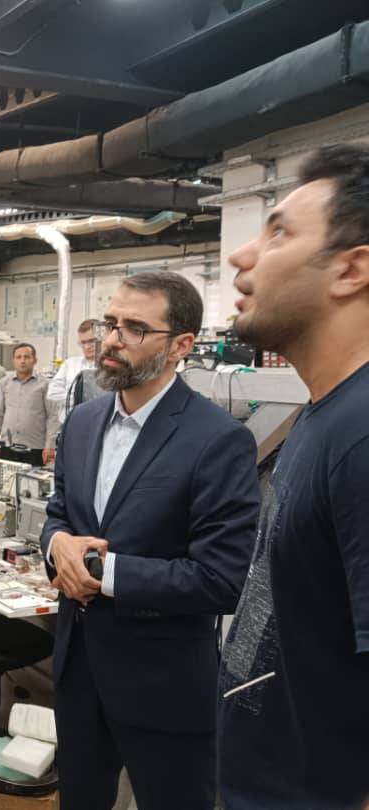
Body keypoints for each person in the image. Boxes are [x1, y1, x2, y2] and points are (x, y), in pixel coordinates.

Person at [41, 271, 260, 810]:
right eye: (110, 323)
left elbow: (221, 579)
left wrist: (100, 572)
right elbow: (58, 516)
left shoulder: (217, 440)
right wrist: (56, 546)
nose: (112, 339)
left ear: (181, 345)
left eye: (135, 328)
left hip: (163, 686)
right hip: (78, 673)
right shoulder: (83, 423)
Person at [219, 144, 369, 809]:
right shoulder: (322, 415)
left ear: (351, 269)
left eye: (278, 232)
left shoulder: (362, 434)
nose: (240, 255)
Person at [0, 343, 59, 466]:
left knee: (32, 478)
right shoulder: (4, 383)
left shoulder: (45, 384)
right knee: (7, 478)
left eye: (27, 357)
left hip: (35, 448)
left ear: (35, 360)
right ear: (13, 360)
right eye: (18, 357)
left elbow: (52, 416)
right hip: (8, 445)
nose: (22, 361)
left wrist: (50, 445)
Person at [46, 319, 100, 417]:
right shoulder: (69, 364)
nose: (87, 347)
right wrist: (80, 398)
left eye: (92, 341)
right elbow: (52, 394)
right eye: (83, 342)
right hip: (69, 421)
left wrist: (69, 396)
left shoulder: (111, 367)